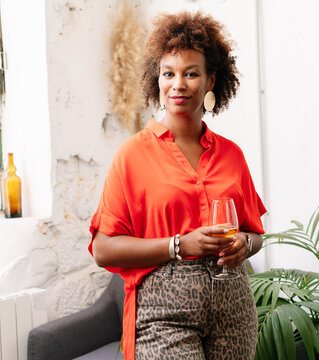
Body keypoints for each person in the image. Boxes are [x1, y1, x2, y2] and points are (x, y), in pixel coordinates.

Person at [89, 11, 266, 360]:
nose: (178, 84)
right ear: (157, 79)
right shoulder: (132, 155)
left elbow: (255, 233)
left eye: (191, 73)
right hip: (164, 314)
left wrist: (245, 244)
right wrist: (178, 245)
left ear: (211, 79)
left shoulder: (232, 155)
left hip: (234, 309)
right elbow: (103, 249)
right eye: (168, 73)